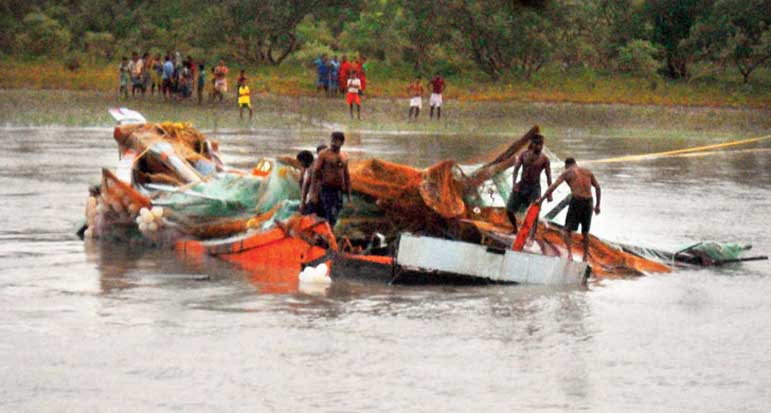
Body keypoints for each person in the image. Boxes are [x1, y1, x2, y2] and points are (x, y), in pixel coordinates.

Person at [537, 157, 601, 262]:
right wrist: (598, 205)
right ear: (576, 163)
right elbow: (598, 187)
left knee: (566, 230)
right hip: (589, 202)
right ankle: (585, 257)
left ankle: (570, 254)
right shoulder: (587, 171)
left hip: (577, 201)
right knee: (585, 232)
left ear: (566, 165)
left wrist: (542, 199)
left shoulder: (567, 172)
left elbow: (554, 186)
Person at [498, 134, 553, 233]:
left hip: (535, 187)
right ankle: (515, 229)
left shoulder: (545, 159)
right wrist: (514, 184)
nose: (539, 147)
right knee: (509, 209)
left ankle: (532, 235)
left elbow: (549, 177)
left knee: (534, 212)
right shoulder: (524, 155)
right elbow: (516, 170)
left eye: (541, 144)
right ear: (532, 144)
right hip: (522, 184)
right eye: (537, 144)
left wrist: (549, 193)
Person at [311, 132, 351, 229]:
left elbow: (346, 175)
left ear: (341, 143)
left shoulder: (344, 156)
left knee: (338, 210)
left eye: (336, 141)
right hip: (327, 188)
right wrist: (314, 193)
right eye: (332, 140)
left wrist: (349, 194)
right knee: (330, 212)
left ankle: (330, 230)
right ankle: (329, 234)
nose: (333, 143)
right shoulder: (324, 154)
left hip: (339, 189)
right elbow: (316, 173)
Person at [297, 150, 317, 215]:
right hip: (315, 199)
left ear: (304, 160)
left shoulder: (311, 169)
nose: (300, 164)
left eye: (300, 162)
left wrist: (302, 201)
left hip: (312, 200)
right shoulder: (315, 166)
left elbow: (306, 184)